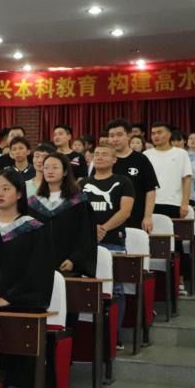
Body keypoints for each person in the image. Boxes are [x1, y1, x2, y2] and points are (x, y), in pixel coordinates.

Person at [0, 169, 54, 388]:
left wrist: (10, 298)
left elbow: (38, 272)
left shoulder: (34, 228)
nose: (0, 193)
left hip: (19, 306)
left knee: (19, 357)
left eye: (6, 188)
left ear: (19, 193)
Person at [81, 144, 135, 346]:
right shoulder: (83, 183)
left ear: (114, 159)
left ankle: (114, 337)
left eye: (105, 154)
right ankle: (89, 338)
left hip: (113, 242)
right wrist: (90, 230)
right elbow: (77, 211)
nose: (99, 157)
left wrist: (102, 228)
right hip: (86, 245)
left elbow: (125, 211)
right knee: (84, 290)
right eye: (96, 154)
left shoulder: (123, 181)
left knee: (116, 290)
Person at [29, 153, 97, 278]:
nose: (50, 171)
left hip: (67, 265)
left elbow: (86, 234)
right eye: (46, 167)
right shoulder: (34, 203)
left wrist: (74, 260)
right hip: (39, 265)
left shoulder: (78, 202)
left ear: (65, 172)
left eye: (55, 167)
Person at [106, 119, 158, 233]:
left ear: (128, 135)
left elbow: (150, 190)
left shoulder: (141, 159)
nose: (115, 139)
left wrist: (148, 217)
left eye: (119, 135)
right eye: (111, 136)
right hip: (108, 219)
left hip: (136, 217)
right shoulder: (104, 159)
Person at [144, 122, 192, 219]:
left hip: (174, 203)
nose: (155, 136)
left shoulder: (181, 153)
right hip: (150, 204)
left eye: (159, 132)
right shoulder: (146, 154)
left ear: (169, 134)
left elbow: (186, 179)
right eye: (153, 133)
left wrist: (185, 203)